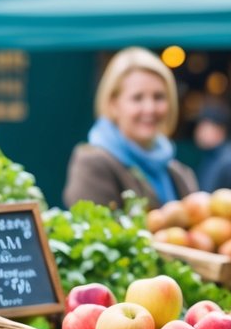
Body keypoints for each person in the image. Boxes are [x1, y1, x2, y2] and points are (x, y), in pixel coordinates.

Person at [63, 47, 198, 209]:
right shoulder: (93, 163)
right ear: (113, 104)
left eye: (159, 97)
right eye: (137, 98)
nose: (150, 108)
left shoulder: (179, 173)